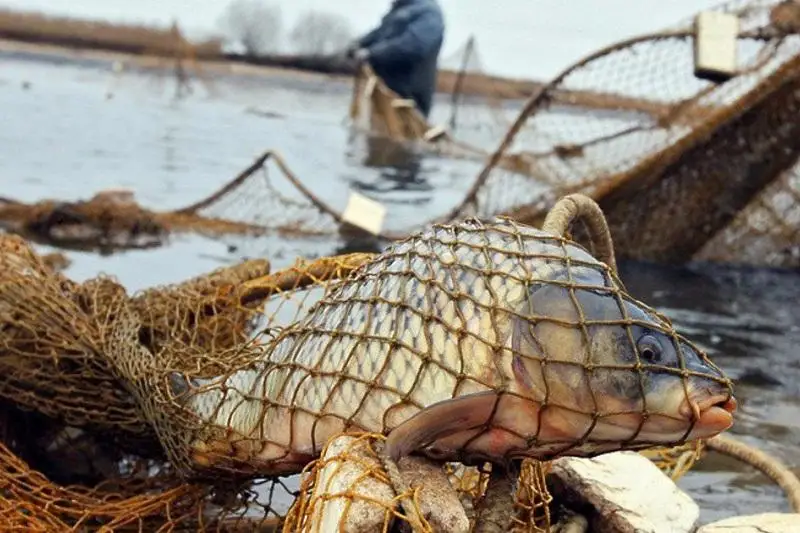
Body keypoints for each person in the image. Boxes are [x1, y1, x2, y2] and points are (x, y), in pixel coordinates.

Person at [346, 0, 445, 118]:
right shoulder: (399, 9)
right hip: (384, 92)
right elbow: (380, 33)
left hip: (408, 97)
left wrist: (371, 53)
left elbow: (414, 45)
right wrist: (359, 44)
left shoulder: (428, 12)